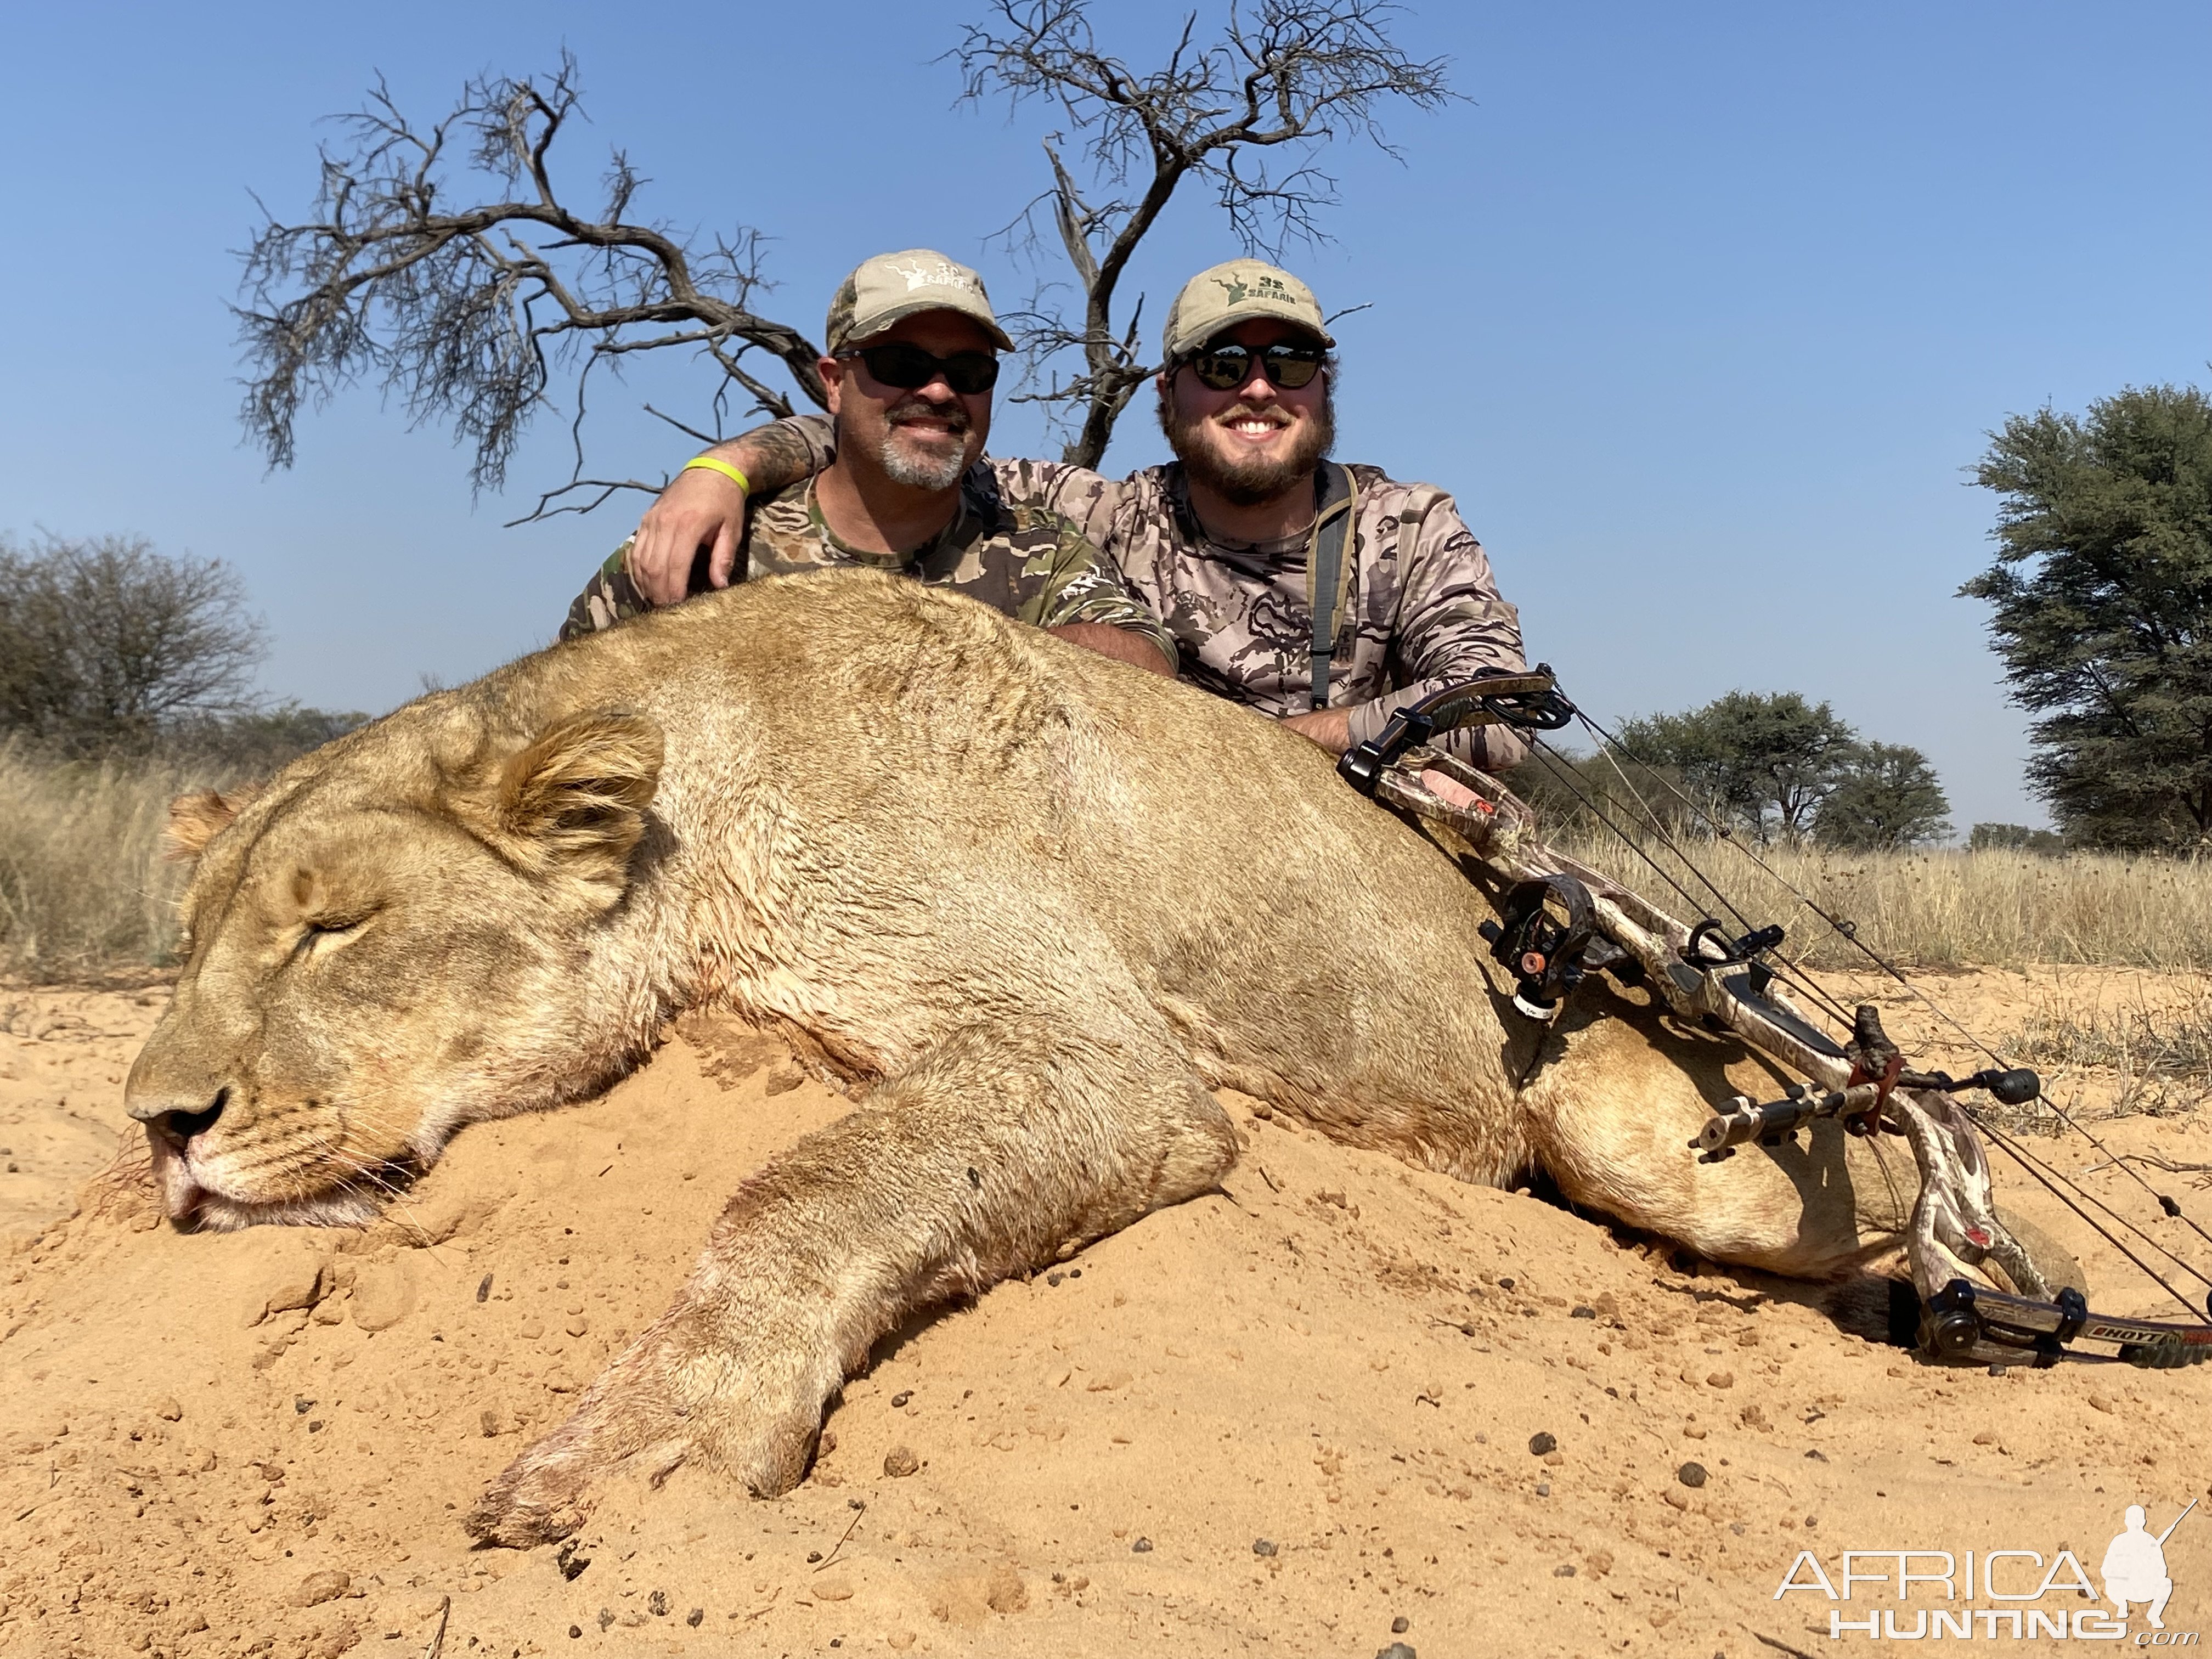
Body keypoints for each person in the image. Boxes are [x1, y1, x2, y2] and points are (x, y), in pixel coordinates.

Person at [611, 257, 1528, 769]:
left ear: (1322, 389)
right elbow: (908, 439)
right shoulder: (1085, 511)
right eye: (1221, 365)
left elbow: (1498, 714)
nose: (1256, 388)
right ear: (1167, 395)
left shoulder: (1408, 527)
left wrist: (1264, 755)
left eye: (1288, 362)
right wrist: (720, 468)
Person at [558, 250, 1176, 679]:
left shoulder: (1041, 553)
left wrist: (950, 665)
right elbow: (557, 714)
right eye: (901, 365)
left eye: (969, 372)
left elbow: (1144, 665)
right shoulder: (711, 545)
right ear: (834, 382)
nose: (939, 392)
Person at [2101, 1505, 2175, 1628]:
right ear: (2126, 1522)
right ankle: (2122, 1605)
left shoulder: (2151, 1542)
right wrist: (2124, 1571)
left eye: (2138, 1519)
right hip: (2123, 1589)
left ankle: (2154, 1615)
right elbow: (2106, 1570)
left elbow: (2163, 1571)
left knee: (2166, 1584)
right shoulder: (2118, 1541)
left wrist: (2146, 1569)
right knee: (2110, 1583)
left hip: (2145, 1589)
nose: (2135, 1523)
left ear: (2144, 1522)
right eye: (2132, 1519)